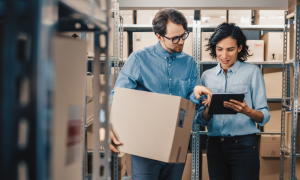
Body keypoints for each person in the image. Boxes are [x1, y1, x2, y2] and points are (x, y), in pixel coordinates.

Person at [109, 8, 212, 180]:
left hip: (176, 145)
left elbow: (191, 109)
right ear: (158, 36)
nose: (181, 42)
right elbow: (117, 97)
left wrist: (196, 95)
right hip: (144, 147)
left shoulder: (189, 63)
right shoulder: (139, 59)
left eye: (183, 35)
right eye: (174, 38)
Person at [194, 23, 271, 180]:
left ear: (239, 48)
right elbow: (201, 119)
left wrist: (246, 110)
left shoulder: (252, 72)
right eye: (220, 49)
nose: (224, 55)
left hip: (244, 145)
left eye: (230, 49)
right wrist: (209, 108)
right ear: (214, 48)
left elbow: (264, 116)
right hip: (214, 146)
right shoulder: (206, 76)